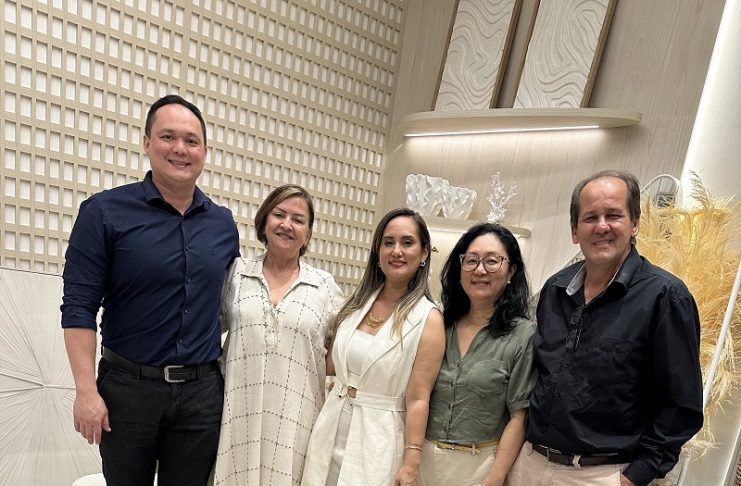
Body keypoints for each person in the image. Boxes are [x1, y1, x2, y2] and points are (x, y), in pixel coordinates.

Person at [60, 94, 240, 486]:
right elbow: (78, 307)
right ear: (146, 143)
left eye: (191, 141)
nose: (180, 149)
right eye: (168, 137)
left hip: (202, 394)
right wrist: (85, 391)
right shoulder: (104, 212)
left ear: (205, 151)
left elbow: (232, 305)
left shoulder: (223, 224)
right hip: (128, 388)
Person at [508, 170, 703, 486]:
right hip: (529, 464)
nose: (601, 226)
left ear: (635, 223)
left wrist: (634, 477)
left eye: (613, 215)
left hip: (601, 474)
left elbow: (681, 406)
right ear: (575, 230)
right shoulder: (555, 289)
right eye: (590, 217)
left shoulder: (665, 296)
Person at [301, 208, 446, 486]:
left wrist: (412, 462)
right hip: (331, 426)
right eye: (388, 242)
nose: (396, 251)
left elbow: (418, 398)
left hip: (379, 437)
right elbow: (332, 365)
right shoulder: (357, 304)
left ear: (424, 253)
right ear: (377, 252)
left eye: (407, 242)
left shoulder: (428, 319)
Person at [214, 184, 344, 486]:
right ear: (264, 222)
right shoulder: (236, 273)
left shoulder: (324, 286)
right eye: (279, 215)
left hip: (296, 418)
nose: (287, 224)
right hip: (237, 411)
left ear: (308, 234)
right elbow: (209, 327)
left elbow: (343, 344)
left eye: (298, 219)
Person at [420, 223, 536, 486]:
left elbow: (520, 416)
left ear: (511, 271)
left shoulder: (523, 335)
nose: (480, 270)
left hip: (479, 465)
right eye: (471, 260)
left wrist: (495, 477)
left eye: (492, 261)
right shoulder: (438, 325)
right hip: (425, 458)